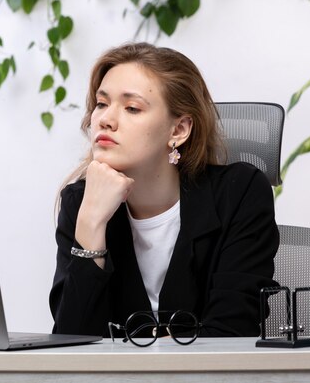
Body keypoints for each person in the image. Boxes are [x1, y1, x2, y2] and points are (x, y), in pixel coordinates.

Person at [49, 42, 279, 338]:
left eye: (132, 108)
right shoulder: (82, 203)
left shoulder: (239, 193)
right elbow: (72, 343)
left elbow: (231, 331)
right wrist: (92, 223)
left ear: (178, 130)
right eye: (102, 104)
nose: (105, 119)